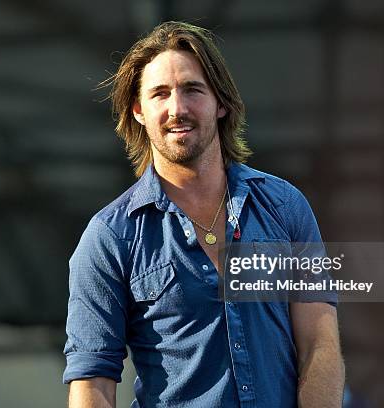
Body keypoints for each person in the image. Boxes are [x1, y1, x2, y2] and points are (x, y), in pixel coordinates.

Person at [63, 21, 344, 407]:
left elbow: (319, 343)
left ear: (221, 103)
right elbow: (92, 381)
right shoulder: (110, 236)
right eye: (159, 94)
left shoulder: (284, 206)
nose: (177, 108)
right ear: (138, 111)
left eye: (192, 89)